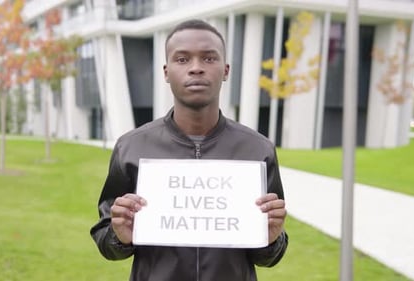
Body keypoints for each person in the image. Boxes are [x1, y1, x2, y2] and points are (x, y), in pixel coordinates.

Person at [90, 19, 288, 281]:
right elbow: (106, 238)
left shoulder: (257, 150)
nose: (196, 68)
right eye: (182, 60)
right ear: (166, 71)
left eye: (208, 59)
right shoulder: (132, 147)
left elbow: (266, 255)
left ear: (226, 70)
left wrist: (272, 239)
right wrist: (120, 235)